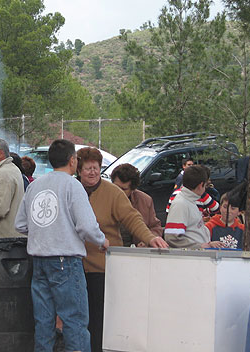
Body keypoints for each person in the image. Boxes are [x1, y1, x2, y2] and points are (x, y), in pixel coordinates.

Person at [15, 139, 109, 352]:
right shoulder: (72, 185)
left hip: (39, 260)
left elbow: (20, 224)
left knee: (44, 322)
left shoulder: (35, 185)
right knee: (74, 321)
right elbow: (86, 225)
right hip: (65, 261)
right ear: (72, 160)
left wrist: (45, 231)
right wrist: (102, 240)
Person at [76, 147, 168, 352]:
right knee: (78, 319)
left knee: (99, 320)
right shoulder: (72, 189)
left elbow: (132, 218)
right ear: (78, 170)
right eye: (87, 168)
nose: (92, 172)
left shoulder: (112, 193)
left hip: (102, 267)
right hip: (75, 267)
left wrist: (150, 238)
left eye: (96, 168)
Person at [164, 165, 223, 249]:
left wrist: (208, 244)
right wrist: (198, 246)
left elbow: (194, 232)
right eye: (205, 185)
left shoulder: (190, 200)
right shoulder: (181, 203)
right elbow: (172, 237)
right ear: (200, 185)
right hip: (191, 258)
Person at [110, 163, 163, 246]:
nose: (119, 192)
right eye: (116, 187)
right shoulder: (104, 198)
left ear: (132, 189)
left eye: (124, 189)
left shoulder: (145, 200)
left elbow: (155, 227)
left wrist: (148, 240)